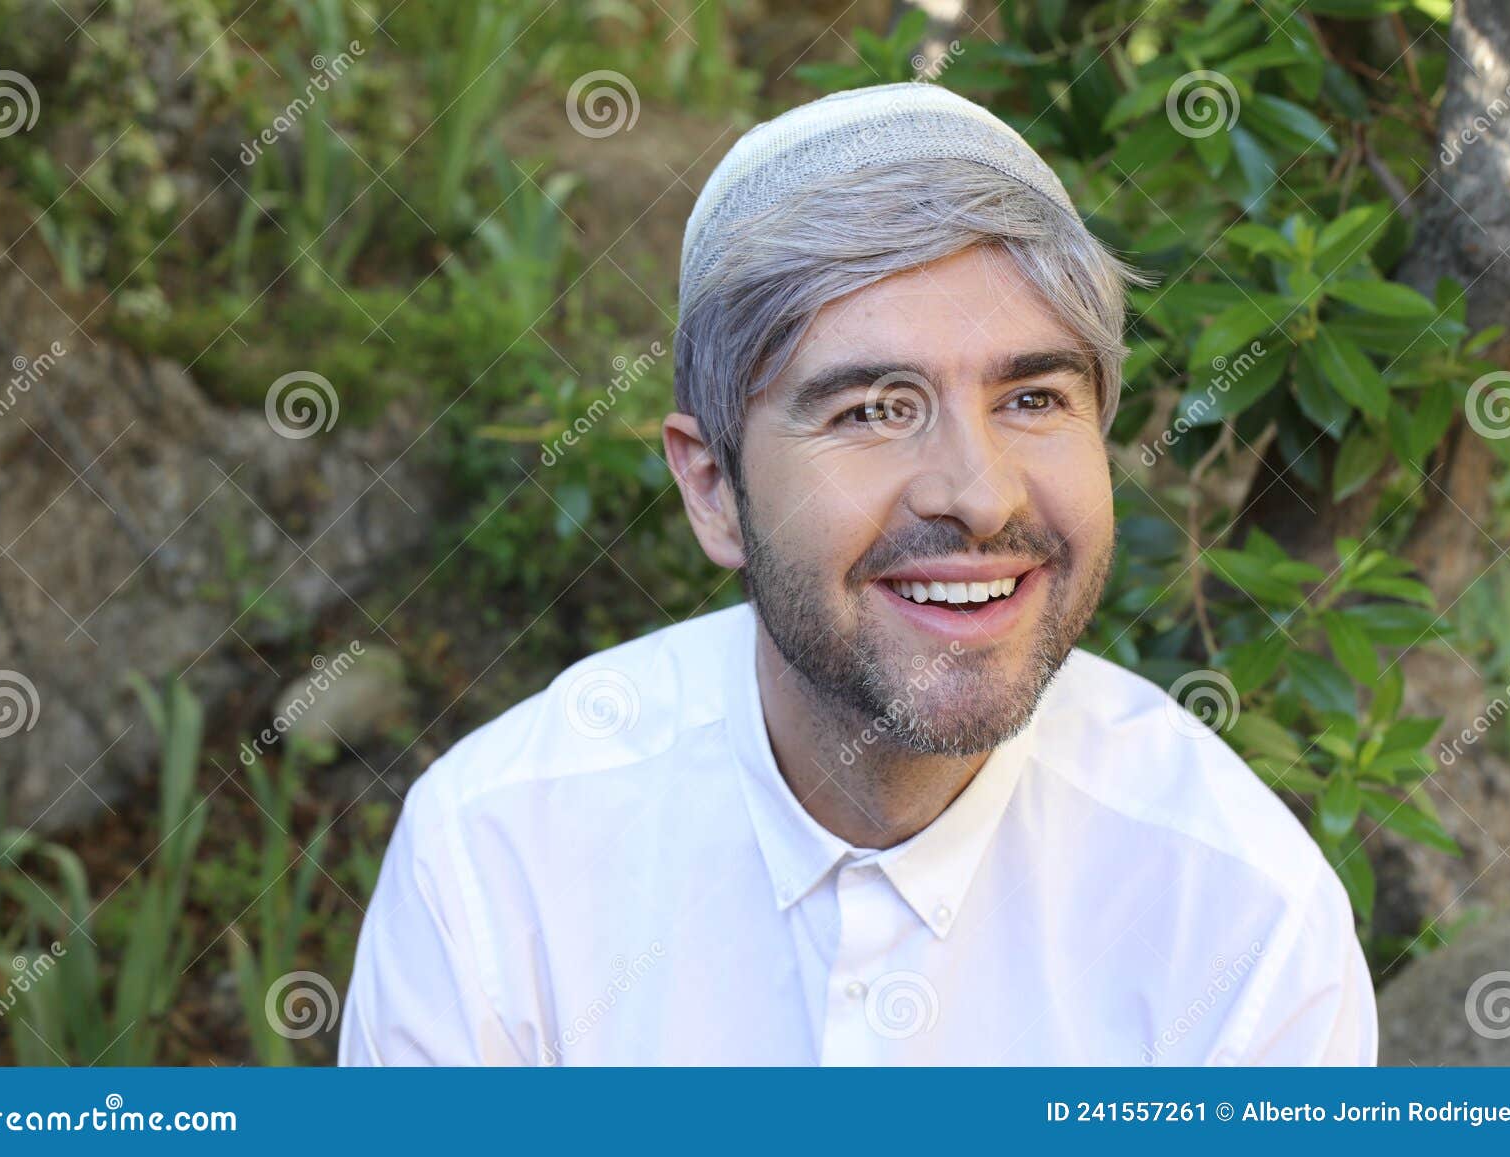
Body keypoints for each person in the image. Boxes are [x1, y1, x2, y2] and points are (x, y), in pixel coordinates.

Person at [339, 82, 1377, 1066]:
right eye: (872, 409)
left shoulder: (1242, 923)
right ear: (711, 487)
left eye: (1032, 400)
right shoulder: (495, 861)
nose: (978, 493)